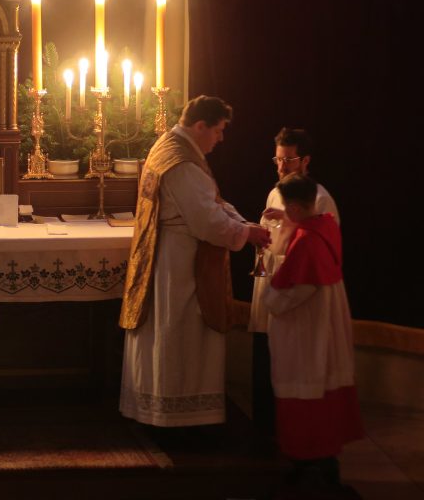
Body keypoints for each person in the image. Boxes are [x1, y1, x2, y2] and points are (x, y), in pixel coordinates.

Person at [119, 95, 271, 429]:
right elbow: (207, 223)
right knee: (180, 335)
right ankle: (180, 419)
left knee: (163, 333)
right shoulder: (184, 164)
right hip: (182, 265)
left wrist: (243, 225)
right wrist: (248, 235)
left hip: (166, 254)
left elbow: (211, 202)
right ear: (200, 126)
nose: (221, 139)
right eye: (218, 131)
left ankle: (156, 409)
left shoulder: (168, 146)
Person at [261, 173, 363, 494]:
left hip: (306, 333)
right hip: (325, 326)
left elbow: (286, 296)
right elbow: (305, 227)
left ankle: (306, 465)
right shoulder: (325, 224)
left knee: (305, 391)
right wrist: (288, 222)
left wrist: (268, 296)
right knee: (325, 391)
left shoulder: (305, 244)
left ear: (293, 205)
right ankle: (325, 462)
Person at [250, 128, 339, 436]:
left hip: (298, 291)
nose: (281, 167)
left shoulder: (320, 198)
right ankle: (263, 428)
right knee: (264, 355)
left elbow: (322, 241)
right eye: (277, 159)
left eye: (288, 160)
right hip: (272, 279)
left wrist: (286, 225)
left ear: (306, 160)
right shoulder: (276, 191)